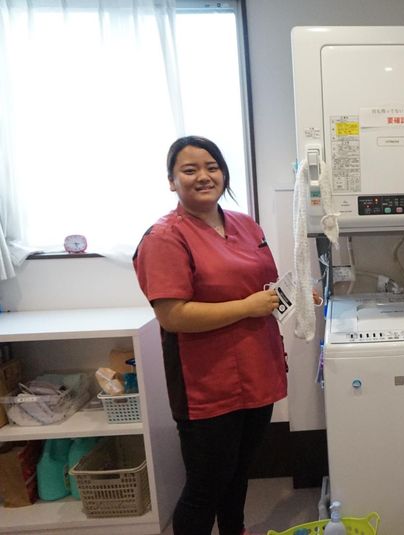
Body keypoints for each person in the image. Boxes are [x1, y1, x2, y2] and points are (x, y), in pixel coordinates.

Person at [133, 136, 292, 535]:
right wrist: (247, 307)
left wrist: (295, 295)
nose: (203, 176)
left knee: (238, 474)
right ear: (172, 181)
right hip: (207, 384)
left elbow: (263, 286)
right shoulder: (164, 238)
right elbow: (173, 315)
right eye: (189, 170)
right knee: (205, 486)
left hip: (257, 370)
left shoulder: (244, 224)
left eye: (212, 167)